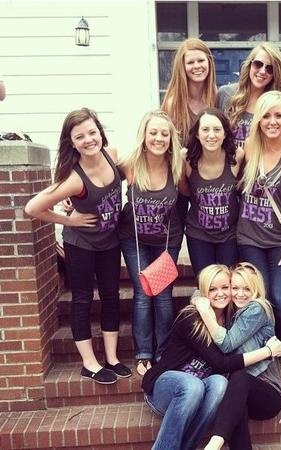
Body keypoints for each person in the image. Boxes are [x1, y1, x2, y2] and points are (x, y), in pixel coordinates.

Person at [25, 108, 130, 384]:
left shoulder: (113, 155)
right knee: (82, 299)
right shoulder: (73, 178)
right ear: (71, 142)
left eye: (92, 132)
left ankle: (112, 357)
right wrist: (68, 221)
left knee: (111, 296)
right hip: (81, 246)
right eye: (80, 136)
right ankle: (89, 363)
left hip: (110, 242)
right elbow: (33, 207)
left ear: (100, 132)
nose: (88, 140)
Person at [141, 264, 281, 450]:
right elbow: (221, 362)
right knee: (192, 385)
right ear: (203, 293)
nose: (221, 293)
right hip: (168, 386)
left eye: (225, 287)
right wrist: (268, 351)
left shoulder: (231, 318)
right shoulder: (192, 318)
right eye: (212, 289)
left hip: (200, 392)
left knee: (221, 385)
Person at [237, 90, 281, 383]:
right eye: (266, 115)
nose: (272, 121)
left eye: (278, 115)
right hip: (249, 237)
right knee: (260, 297)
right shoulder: (250, 148)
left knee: (279, 298)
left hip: (280, 240)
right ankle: (261, 352)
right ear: (258, 120)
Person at [118, 110, 184, 376]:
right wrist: (72, 199)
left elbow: (200, 186)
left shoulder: (178, 165)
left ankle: (164, 352)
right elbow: (101, 182)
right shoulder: (130, 163)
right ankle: (144, 353)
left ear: (171, 138)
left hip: (167, 241)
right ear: (144, 136)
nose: (159, 138)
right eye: (153, 133)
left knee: (164, 297)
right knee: (144, 293)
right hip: (134, 240)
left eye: (164, 134)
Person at [194, 262, 281, 450]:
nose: (240, 293)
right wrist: (198, 298)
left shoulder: (257, 309)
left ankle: (214, 445)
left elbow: (226, 344)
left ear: (256, 289)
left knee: (239, 378)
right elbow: (198, 293)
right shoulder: (234, 310)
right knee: (235, 401)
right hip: (241, 391)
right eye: (235, 288)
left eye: (246, 288)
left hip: (268, 395)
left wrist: (204, 311)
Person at [184, 108, 244, 276]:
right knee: (205, 283)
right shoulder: (186, 159)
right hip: (198, 234)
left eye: (217, 129)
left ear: (225, 133)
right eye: (205, 129)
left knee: (228, 282)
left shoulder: (237, 156)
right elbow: (184, 191)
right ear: (197, 134)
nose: (211, 135)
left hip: (229, 235)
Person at [217, 42, 281, 148]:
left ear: (275, 74)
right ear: (250, 64)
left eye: (270, 69)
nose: (262, 71)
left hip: (258, 163)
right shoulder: (226, 94)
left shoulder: (277, 103)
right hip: (227, 163)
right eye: (258, 64)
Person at [161, 38, 217, 145]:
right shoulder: (173, 104)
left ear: (209, 62)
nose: (197, 66)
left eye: (201, 60)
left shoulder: (217, 97)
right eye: (190, 62)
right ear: (182, 67)